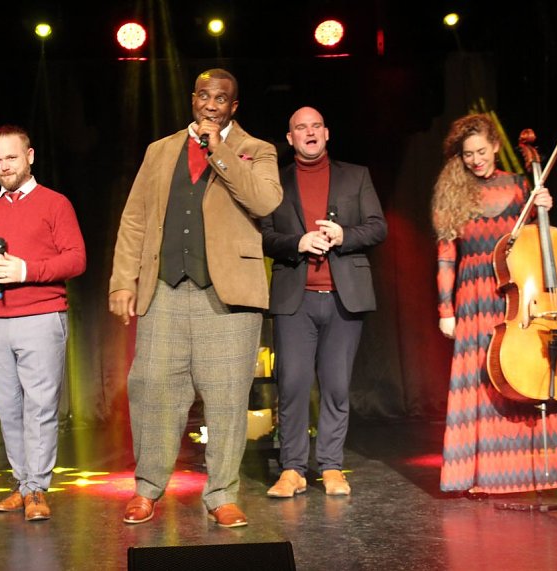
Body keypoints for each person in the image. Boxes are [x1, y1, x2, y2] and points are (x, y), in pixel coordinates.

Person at [108, 68, 283, 527]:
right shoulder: (160, 150)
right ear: (193, 99)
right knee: (152, 389)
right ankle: (147, 489)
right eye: (204, 95)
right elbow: (134, 218)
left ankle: (222, 493)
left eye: (221, 98)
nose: (211, 104)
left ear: (233, 106)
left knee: (226, 397)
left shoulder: (256, 149)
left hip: (227, 296)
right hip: (165, 288)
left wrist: (218, 148)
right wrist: (123, 280)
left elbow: (265, 202)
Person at [431, 113, 557, 494]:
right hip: (474, 298)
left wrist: (542, 206)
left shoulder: (522, 186)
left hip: (518, 296)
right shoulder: (451, 194)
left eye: (481, 151)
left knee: (538, 373)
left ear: (495, 146)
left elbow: (538, 245)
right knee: (480, 383)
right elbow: (446, 257)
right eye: (468, 154)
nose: (475, 160)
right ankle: (482, 474)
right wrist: (445, 309)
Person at [260, 107, 387, 498]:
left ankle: (331, 466)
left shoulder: (356, 175)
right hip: (295, 300)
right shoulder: (276, 181)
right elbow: (263, 235)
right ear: (291, 138)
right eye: (301, 127)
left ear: (327, 133)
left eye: (316, 126)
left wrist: (345, 235)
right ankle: (293, 469)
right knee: (293, 384)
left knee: (335, 386)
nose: (310, 132)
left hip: (342, 297)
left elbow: (377, 227)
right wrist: (297, 242)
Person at [0, 125, 86, 521]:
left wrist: (26, 270)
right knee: (8, 409)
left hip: (41, 317)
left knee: (40, 409)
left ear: (29, 156)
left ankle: (36, 490)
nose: (4, 166)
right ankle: (23, 483)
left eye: (11, 157)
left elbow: (76, 259)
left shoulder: (55, 203)